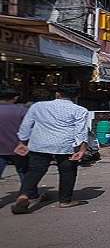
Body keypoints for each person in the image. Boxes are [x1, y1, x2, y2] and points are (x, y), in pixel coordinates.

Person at [12, 86, 89, 214]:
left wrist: (22, 142)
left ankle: (24, 195)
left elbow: (26, 125)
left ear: (58, 94)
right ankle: (65, 201)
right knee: (67, 172)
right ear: (76, 96)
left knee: (35, 171)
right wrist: (81, 149)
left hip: (40, 144)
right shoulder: (79, 110)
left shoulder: (38, 106)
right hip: (65, 145)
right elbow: (81, 131)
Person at [0, 88, 28, 181]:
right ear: (15, 98)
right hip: (18, 146)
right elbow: (28, 128)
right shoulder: (22, 110)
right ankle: (28, 193)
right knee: (24, 173)